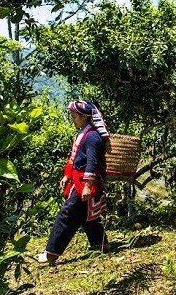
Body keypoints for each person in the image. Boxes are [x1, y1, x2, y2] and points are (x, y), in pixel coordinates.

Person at [36, 100, 111, 264]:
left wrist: (88, 185)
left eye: (74, 115)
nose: (72, 118)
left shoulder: (92, 137)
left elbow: (91, 162)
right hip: (79, 181)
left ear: (84, 117)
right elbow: (75, 157)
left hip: (84, 184)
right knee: (87, 216)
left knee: (67, 214)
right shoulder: (83, 133)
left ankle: (51, 253)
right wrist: (67, 176)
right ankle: (101, 245)